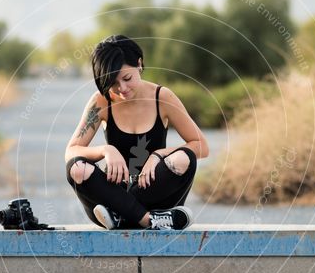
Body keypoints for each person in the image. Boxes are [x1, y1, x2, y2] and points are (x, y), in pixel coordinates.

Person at [65, 34, 210, 230]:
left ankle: (122, 216)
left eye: (127, 78)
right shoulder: (101, 102)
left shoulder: (162, 97)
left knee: (185, 159)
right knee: (76, 168)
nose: (122, 89)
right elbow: (71, 151)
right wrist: (106, 150)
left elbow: (201, 146)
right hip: (112, 198)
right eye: (113, 83)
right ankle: (146, 220)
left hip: (152, 199)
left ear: (139, 64)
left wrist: (158, 155)